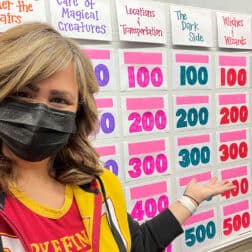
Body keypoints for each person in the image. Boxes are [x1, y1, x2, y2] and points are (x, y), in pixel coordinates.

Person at [0, 22, 235, 252]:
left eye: (59, 100)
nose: (39, 112)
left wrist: (190, 200)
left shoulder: (100, 186)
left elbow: (138, 244)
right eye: (23, 93)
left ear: (78, 114)